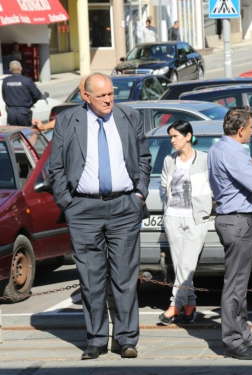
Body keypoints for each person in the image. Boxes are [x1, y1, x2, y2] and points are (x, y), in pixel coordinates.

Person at [49, 73, 152, 360]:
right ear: (86, 96)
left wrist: (139, 194)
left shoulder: (129, 116)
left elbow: (144, 158)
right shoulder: (69, 121)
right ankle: (95, 340)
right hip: (83, 210)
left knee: (125, 277)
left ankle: (126, 339)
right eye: (102, 96)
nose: (108, 100)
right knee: (91, 280)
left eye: (111, 94)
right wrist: (68, 203)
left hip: (124, 208)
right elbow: (55, 168)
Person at [208, 106, 252, 360]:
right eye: (250, 128)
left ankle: (243, 334)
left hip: (235, 220)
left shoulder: (219, 147)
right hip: (237, 222)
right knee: (235, 286)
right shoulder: (234, 151)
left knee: (239, 285)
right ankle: (233, 340)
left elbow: (240, 180)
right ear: (240, 130)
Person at [158, 120, 212, 326]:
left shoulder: (204, 160)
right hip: (173, 217)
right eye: (170, 137)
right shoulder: (168, 161)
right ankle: (190, 306)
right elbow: (164, 186)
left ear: (188, 136)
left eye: (175, 136)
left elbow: (213, 186)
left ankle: (174, 305)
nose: (172, 140)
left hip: (196, 218)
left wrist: (207, 207)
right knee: (182, 266)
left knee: (187, 264)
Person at [2, 60, 40, 126]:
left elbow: (4, 96)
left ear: (10, 70)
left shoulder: (6, 81)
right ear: (21, 68)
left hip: (11, 112)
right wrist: (30, 102)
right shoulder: (27, 80)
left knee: (13, 134)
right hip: (23, 111)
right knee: (25, 132)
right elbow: (36, 95)